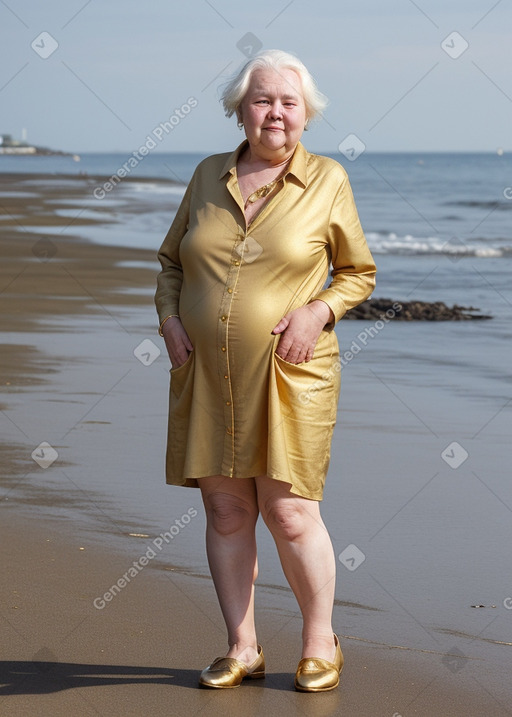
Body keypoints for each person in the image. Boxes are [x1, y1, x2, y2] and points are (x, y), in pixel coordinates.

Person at [155, 49, 376, 692]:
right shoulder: (206, 176)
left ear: (306, 113)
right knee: (226, 512)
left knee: (288, 512)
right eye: (262, 100)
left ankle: (319, 642)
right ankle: (241, 647)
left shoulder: (328, 179)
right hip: (206, 374)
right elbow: (171, 262)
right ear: (239, 109)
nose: (275, 112)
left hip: (290, 375)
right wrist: (169, 320)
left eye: (288, 102)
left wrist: (318, 312)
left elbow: (357, 273)